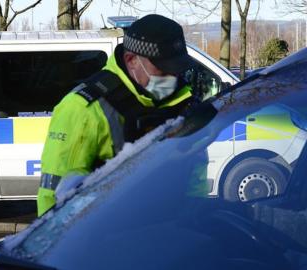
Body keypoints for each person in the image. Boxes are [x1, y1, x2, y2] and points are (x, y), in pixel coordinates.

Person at [37, 14, 196, 216]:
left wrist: (192, 213)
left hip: (170, 228)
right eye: (164, 70)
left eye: (177, 70)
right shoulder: (81, 109)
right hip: (109, 237)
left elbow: (194, 168)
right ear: (131, 60)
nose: (173, 79)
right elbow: (54, 200)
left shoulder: (183, 101)